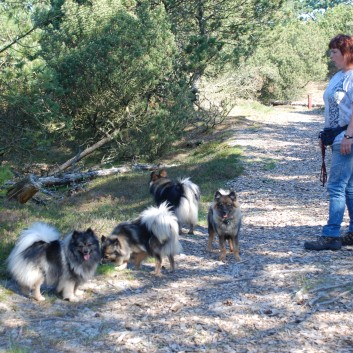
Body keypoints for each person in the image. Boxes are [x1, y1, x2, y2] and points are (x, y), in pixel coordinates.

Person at [305, 34, 353, 251]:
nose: (331, 56)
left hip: (347, 138)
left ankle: (332, 235)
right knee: (349, 188)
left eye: (335, 52)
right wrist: (327, 135)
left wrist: (349, 136)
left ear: (347, 53)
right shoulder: (338, 76)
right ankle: (351, 233)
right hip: (337, 137)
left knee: (336, 187)